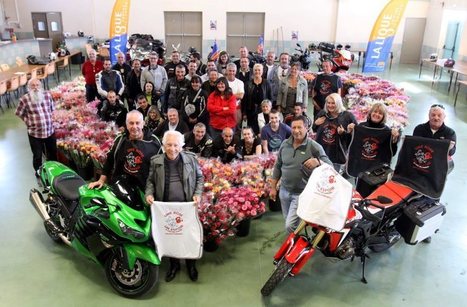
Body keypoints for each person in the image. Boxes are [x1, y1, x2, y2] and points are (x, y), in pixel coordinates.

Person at [145, 130, 204, 282]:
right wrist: (149, 194)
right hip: (166, 209)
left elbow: (199, 178)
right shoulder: (155, 161)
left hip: (187, 207)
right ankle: (174, 266)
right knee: (171, 235)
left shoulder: (191, 159)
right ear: (163, 146)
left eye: (175, 145)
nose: (172, 149)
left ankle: (191, 265)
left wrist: (198, 194)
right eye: (169, 145)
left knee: (188, 236)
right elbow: (150, 181)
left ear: (182, 146)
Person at [270, 116, 332, 233]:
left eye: (299, 127)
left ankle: (296, 245)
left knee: (289, 225)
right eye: (294, 127)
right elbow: (278, 166)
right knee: (288, 221)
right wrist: (273, 187)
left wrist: (318, 161)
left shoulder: (314, 146)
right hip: (284, 191)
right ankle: (294, 240)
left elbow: (330, 167)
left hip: (301, 194)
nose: (296, 130)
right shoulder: (284, 144)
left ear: (306, 128)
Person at [89, 110, 162, 190]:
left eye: (137, 123)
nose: (134, 126)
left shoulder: (154, 142)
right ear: (126, 125)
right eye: (131, 123)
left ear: (143, 124)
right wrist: (101, 180)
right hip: (122, 185)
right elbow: (110, 160)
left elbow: (160, 168)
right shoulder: (120, 139)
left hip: (145, 188)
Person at [15, 78, 57, 176]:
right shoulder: (24, 99)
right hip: (35, 133)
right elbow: (19, 113)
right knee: (37, 155)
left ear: (40, 86)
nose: (35, 88)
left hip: (49, 130)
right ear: (29, 87)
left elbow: (52, 109)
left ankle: (54, 170)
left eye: (37, 85)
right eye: (33, 85)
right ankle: (39, 173)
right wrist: (28, 122)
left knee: (53, 153)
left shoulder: (47, 95)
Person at [312, 93, 357, 174]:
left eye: (333, 103)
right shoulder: (322, 113)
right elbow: (314, 129)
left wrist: (344, 133)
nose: (330, 105)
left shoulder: (347, 116)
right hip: (321, 153)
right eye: (328, 103)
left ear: (338, 103)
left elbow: (354, 138)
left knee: (333, 178)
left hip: (337, 156)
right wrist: (315, 124)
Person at [413, 104, 456, 174]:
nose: (436, 118)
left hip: (438, 165)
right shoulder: (419, 129)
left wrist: (449, 148)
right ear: (429, 116)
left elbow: (452, 152)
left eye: (439, 115)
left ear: (444, 117)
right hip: (420, 163)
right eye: (433, 115)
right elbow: (414, 147)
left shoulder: (450, 133)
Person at [242, 64, 272, 134]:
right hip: (251, 112)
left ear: (262, 72)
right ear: (253, 71)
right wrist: (244, 113)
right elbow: (245, 99)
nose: (257, 72)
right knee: (252, 131)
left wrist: (269, 110)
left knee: (263, 130)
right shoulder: (248, 83)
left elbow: (270, 98)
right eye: (255, 70)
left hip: (263, 111)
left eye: (259, 70)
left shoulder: (267, 83)